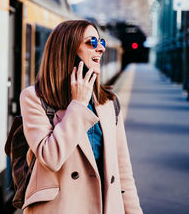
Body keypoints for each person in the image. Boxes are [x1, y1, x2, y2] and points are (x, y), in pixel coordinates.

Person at [19, 20, 142, 214]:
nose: (101, 49)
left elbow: (123, 172)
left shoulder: (108, 102)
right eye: (92, 42)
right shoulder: (34, 98)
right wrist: (78, 105)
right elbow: (50, 158)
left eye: (101, 42)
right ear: (67, 49)